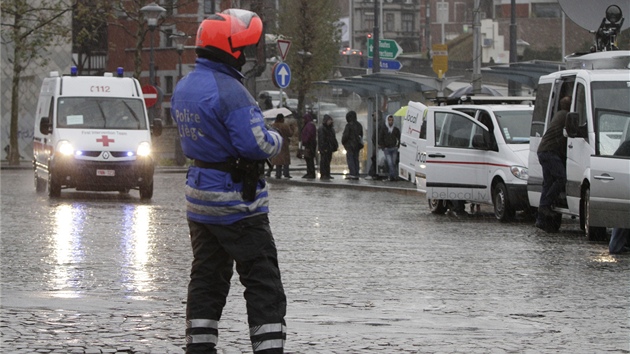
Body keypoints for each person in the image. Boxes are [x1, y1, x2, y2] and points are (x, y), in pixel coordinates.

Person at [170, 9, 286, 354]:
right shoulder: (232, 92)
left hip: (200, 202)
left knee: (207, 279)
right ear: (231, 51)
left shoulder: (184, 86)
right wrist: (277, 137)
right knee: (263, 282)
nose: (246, 55)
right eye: (244, 49)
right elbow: (257, 144)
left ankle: (199, 347)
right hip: (237, 205)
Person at [536, 96, 571, 229]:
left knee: (548, 182)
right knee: (561, 178)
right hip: (549, 152)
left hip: (543, 151)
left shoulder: (559, 114)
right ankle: (545, 205)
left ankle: (540, 219)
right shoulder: (566, 116)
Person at [269, 113, 294, 179]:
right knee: (285, 159)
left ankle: (278, 173)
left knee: (277, 159)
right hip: (284, 144)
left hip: (276, 143)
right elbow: (290, 134)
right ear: (282, 119)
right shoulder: (285, 126)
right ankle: (286, 173)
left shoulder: (273, 126)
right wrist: (292, 128)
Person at [341, 110, 363, 180]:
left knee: (350, 159)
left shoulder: (348, 126)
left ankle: (352, 173)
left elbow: (345, 136)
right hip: (357, 145)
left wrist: (344, 142)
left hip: (350, 145)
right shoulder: (359, 125)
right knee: (356, 159)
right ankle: (356, 173)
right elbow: (361, 135)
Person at [379, 114, 401, 181]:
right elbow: (380, 138)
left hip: (394, 148)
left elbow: (399, 138)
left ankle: (392, 176)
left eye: (392, 120)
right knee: (390, 163)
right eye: (389, 120)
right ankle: (392, 176)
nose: (390, 122)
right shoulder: (384, 129)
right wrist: (383, 147)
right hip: (387, 149)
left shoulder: (396, 129)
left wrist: (398, 146)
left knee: (393, 163)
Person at [317, 114, 338, 180]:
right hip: (325, 148)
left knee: (328, 161)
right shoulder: (322, 129)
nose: (330, 121)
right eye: (329, 120)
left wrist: (334, 146)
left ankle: (327, 174)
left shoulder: (331, 129)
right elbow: (321, 139)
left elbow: (333, 138)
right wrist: (323, 147)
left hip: (330, 148)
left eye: (330, 120)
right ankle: (323, 174)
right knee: (324, 161)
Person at [301, 113, 317, 179]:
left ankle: (311, 173)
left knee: (309, 159)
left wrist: (305, 140)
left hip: (310, 144)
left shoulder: (309, 125)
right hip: (309, 143)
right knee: (308, 159)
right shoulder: (308, 125)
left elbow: (309, 135)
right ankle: (309, 172)